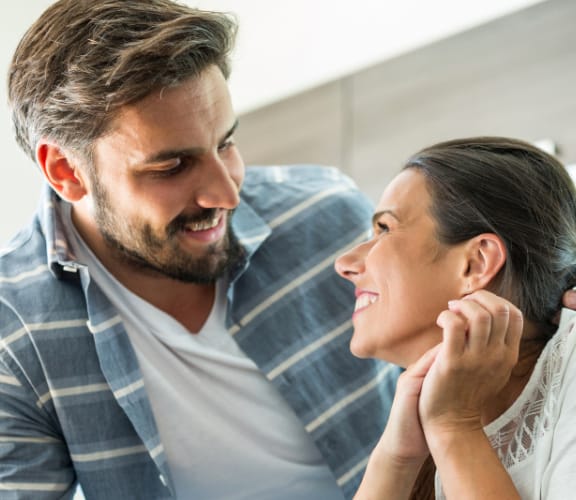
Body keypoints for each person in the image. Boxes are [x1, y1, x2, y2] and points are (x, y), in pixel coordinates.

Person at [0, 1, 405, 498]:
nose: (226, 195)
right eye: (172, 166)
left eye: (226, 143)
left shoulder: (330, 221)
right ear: (65, 171)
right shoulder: (12, 337)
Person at [335, 137, 576, 499]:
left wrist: (453, 426)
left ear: (475, 263)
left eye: (384, 228)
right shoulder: (427, 418)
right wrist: (395, 459)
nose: (345, 263)